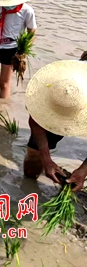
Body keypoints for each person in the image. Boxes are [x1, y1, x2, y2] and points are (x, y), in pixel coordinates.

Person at [23, 60, 87, 192]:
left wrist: (83, 170)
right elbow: (35, 120)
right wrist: (46, 160)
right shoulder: (57, 86)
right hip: (73, 84)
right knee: (33, 157)